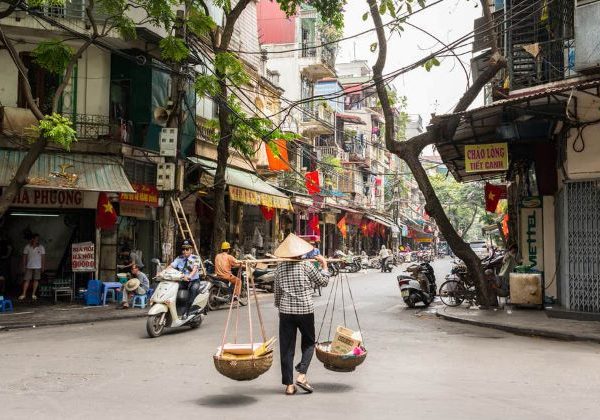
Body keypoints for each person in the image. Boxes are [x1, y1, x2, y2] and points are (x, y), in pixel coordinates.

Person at [273, 233, 329, 396]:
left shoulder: (280, 268)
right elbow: (323, 282)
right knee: (310, 343)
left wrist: (279, 307)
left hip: (286, 312)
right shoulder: (307, 266)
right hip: (304, 310)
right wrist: (324, 263)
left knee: (286, 348)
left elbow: (277, 292)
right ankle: (302, 374)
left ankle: (289, 385)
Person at [169, 240, 202, 317]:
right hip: (182, 281)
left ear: (191, 250)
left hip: (193, 281)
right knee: (172, 288)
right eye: (183, 249)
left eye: (187, 249)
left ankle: (187, 312)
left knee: (193, 291)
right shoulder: (179, 258)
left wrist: (189, 276)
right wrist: (162, 272)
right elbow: (171, 266)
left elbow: (194, 269)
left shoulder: (196, 258)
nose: (185, 251)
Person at [19, 234, 45, 301]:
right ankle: (23, 294)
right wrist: (24, 266)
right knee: (27, 280)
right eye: (36, 238)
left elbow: (43, 258)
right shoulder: (27, 247)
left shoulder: (41, 247)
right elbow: (24, 257)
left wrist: (43, 266)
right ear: (32, 239)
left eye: (38, 239)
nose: (37, 240)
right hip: (29, 266)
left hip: (38, 266)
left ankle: (33, 294)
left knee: (36, 280)